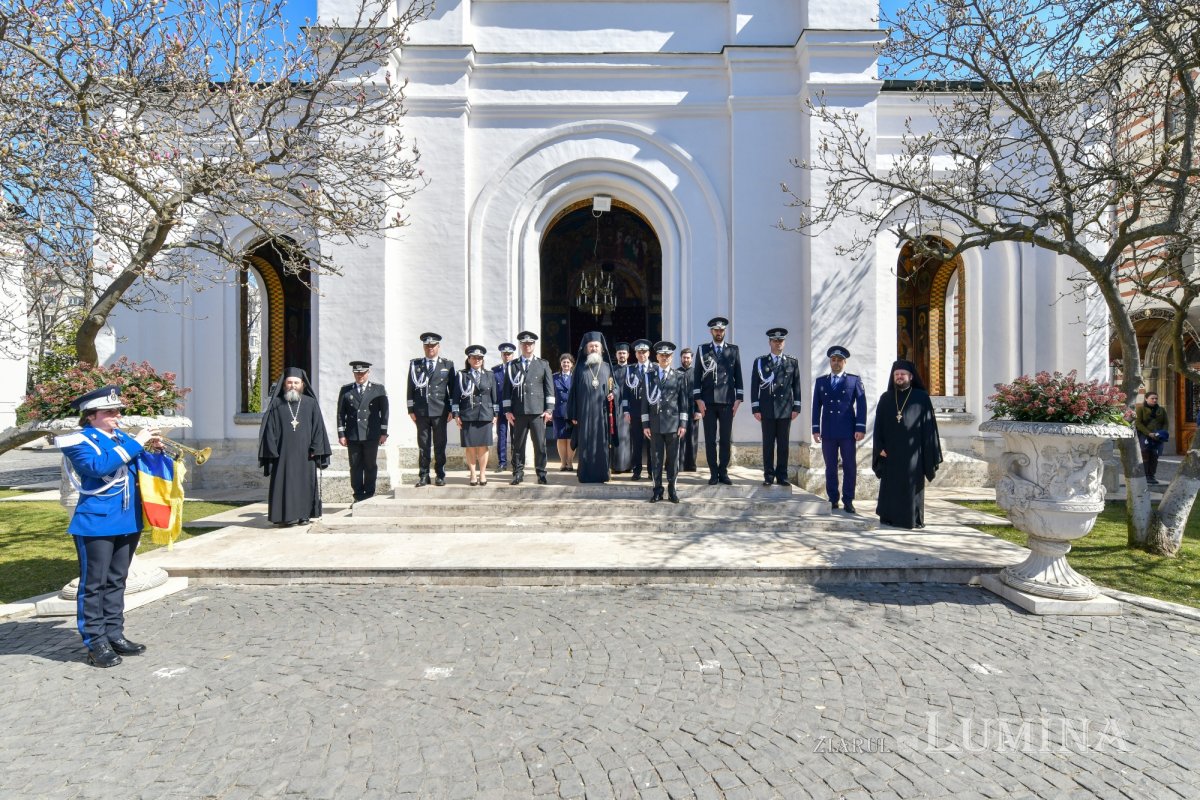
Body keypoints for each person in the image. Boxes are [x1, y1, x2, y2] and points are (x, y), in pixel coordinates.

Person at [56, 385, 161, 668]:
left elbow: (137, 469)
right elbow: (97, 467)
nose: (117, 415)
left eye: (118, 411)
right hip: (96, 523)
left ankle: (114, 633)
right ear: (91, 416)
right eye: (110, 411)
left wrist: (155, 452)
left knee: (117, 580)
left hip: (128, 519)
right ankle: (96, 641)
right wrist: (135, 444)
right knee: (94, 585)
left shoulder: (122, 438)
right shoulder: (79, 441)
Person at [872, 360, 942, 529]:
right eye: (896, 374)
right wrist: (879, 448)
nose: (899, 377)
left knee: (911, 486)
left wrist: (928, 450)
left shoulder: (921, 397)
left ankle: (912, 519)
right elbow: (878, 426)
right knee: (891, 486)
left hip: (914, 453)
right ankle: (888, 517)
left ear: (911, 376)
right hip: (890, 453)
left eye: (903, 374)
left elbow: (929, 426)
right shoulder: (886, 398)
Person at [259, 367, 332, 525]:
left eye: (296, 382)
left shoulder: (311, 403)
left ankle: (304, 515)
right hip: (282, 455)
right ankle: (283, 517)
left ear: (302, 385)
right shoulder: (277, 404)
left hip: (306, 455)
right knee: (283, 485)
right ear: (284, 384)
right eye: (289, 382)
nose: (293, 385)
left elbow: (318, 428)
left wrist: (316, 449)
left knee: (305, 484)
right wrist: (272, 451)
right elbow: (269, 430)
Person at [812, 345, 868, 513]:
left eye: (839, 360)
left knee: (850, 466)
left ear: (845, 362)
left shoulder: (853, 380)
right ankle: (833, 498)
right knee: (830, 466)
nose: (835, 363)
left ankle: (849, 500)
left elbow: (862, 405)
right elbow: (816, 406)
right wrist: (816, 428)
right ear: (830, 361)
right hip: (828, 431)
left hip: (848, 431)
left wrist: (860, 427)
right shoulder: (821, 381)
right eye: (833, 360)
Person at [693, 315, 743, 485]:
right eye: (716, 330)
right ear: (711, 331)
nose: (719, 332)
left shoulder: (733, 350)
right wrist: (698, 399)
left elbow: (738, 375)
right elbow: (697, 377)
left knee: (725, 439)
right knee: (709, 439)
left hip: (727, 401)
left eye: (721, 330)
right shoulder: (703, 350)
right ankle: (713, 472)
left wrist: (739, 399)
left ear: (724, 331)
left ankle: (723, 471)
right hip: (708, 402)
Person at [750, 328, 802, 486]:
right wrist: (755, 408)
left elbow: (796, 386)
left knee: (783, 445)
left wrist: (796, 407)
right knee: (768, 445)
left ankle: (782, 476)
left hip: (785, 409)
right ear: (770, 342)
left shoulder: (792, 362)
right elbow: (754, 386)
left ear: (784, 343)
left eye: (781, 341)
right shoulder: (760, 362)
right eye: (775, 341)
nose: (778, 343)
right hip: (767, 409)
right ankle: (768, 476)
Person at [503, 330, 555, 485]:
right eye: (524, 344)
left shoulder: (543, 364)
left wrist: (549, 409)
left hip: (538, 412)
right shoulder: (513, 365)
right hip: (518, 412)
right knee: (517, 445)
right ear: (520, 345)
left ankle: (541, 473)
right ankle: (517, 473)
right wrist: (507, 411)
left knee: (540, 444)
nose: (527, 346)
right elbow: (506, 390)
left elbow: (549, 389)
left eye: (530, 344)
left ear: (534, 345)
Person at [641, 341, 689, 503]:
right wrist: (645, 425)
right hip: (655, 425)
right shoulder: (649, 376)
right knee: (656, 459)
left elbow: (684, 403)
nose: (664, 358)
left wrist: (683, 424)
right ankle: (657, 490)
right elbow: (644, 404)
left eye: (667, 355)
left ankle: (672, 490)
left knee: (673, 459)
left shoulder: (679, 376)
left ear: (672, 357)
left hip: (673, 425)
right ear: (657, 356)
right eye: (662, 355)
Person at [337, 360, 389, 503]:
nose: (359, 376)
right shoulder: (346, 390)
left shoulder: (378, 389)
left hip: (371, 434)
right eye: (357, 373)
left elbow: (384, 412)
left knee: (370, 464)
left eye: (362, 373)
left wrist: (384, 433)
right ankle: (358, 496)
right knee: (355, 466)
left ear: (368, 372)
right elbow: (341, 414)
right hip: (353, 435)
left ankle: (369, 494)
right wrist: (341, 434)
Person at [567, 331, 616, 483]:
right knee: (585, 443)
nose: (594, 348)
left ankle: (602, 474)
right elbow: (573, 393)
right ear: (586, 349)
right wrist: (573, 414)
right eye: (591, 346)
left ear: (601, 349)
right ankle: (585, 474)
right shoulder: (580, 368)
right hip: (584, 413)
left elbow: (615, 387)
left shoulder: (607, 367)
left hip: (602, 414)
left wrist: (613, 394)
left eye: (596, 346)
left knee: (602, 443)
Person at [407, 332, 454, 486]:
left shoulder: (447, 365)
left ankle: (440, 474)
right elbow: (410, 387)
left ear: (438, 347)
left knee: (440, 444)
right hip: (421, 412)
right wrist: (410, 409)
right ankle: (423, 475)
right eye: (427, 346)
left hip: (440, 411)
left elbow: (452, 390)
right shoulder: (415, 365)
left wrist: (452, 410)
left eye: (433, 345)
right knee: (423, 445)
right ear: (423, 347)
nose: (430, 348)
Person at [452, 345, 498, 486]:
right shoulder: (462, 375)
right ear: (469, 359)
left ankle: (483, 474)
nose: (477, 360)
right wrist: (456, 414)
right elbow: (455, 397)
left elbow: (494, 396)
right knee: (470, 446)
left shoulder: (489, 375)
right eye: (474, 358)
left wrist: (495, 413)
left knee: (483, 446)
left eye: (480, 358)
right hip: (468, 414)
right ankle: (472, 474)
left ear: (483, 360)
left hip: (485, 414)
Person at [622, 339, 654, 480]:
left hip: (652, 412)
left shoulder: (655, 368)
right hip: (635, 412)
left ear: (648, 353)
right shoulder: (630, 369)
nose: (642, 355)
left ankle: (652, 471)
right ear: (635, 354)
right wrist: (626, 410)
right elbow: (625, 392)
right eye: (639, 352)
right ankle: (637, 470)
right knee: (637, 442)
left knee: (652, 443)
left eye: (644, 352)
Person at [491, 342, 516, 472]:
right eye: (504, 354)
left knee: (515, 435)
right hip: (500, 408)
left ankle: (515, 461)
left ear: (513, 355)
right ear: (501, 355)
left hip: (514, 409)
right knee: (501, 435)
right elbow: (493, 392)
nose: (507, 356)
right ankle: (502, 463)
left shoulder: (517, 369)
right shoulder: (495, 371)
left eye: (509, 354)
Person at [1135, 391, 1169, 484]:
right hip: (1145, 435)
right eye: (1152, 398)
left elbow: (1165, 423)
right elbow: (1138, 423)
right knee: (1145, 455)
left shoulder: (1161, 410)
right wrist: (1148, 433)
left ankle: (1151, 475)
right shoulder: (1141, 409)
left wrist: (1161, 433)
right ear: (1146, 399)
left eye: (1156, 398)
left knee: (1154, 456)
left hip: (1158, 437)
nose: (1154, 400)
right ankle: (1145, 475)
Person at [610, 342, 633, 473]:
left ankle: (628, 465)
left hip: (630, 408)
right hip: (616, 408)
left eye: (624, 353)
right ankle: (617, 466)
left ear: (628, 355)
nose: (622, 355)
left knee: (629, 437)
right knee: (617, 435)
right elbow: (610, 386)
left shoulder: (633, 369)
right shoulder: (612, 370)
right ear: (616, 355)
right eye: (620, 353)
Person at [677, 347, 700, 472]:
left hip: (693, 410)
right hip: (679, 411)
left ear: (691, 359)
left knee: (692, 438)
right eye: (684, 357)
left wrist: (699, 410)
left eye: (688, 357)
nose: (686, 359)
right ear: (681, 358)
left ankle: (691, 465)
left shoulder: (697, 373)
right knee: (679, 437)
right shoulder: (676, 372)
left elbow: (701, 393)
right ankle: (679, 465)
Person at [553, 353, 576, 471]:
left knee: (571, 438)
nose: (566, 364)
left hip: (572, 412)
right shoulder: (554, 377)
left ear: (572, 364)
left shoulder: (576, 377)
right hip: (559, 411)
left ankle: (570, 463)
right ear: (561, 364)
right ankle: (563, 463)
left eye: (568, 362)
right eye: (564, 362)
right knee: (561, 438)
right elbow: (551, 394)